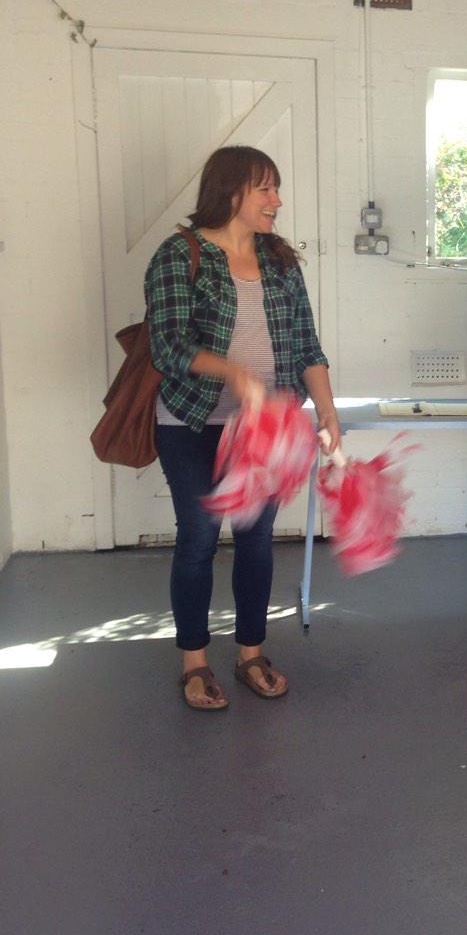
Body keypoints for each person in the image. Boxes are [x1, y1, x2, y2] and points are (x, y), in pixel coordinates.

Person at [145, 145, 341, 710]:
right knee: (199, 536)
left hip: (264, 431)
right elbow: (170, 345)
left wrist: (325, 411)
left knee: (256, 539)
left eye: (276, 189)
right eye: (265, 189)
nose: (276, 201)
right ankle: (194, 662)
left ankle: (251, 652)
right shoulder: (179, 256)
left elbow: (306, 345)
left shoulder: (279, 262)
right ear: (229, 191)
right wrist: (235, 373)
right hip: (191, 421)